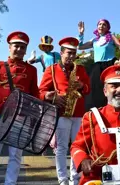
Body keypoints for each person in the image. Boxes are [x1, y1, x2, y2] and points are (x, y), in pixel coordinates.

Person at [0, 31, 39, 185]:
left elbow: (35, 95)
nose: (19, 49)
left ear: (26, 50)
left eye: (22, 47)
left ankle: (10, 183)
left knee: (15, 155)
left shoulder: (32, 70)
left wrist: (34, 116)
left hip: (20, 117)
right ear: (9, 47)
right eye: (16, 46)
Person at [39, 37, 90, 185]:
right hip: (62, 113)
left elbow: (88, 89)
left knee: (77, 146)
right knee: (61, 148)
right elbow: (41, 91)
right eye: (68, 53)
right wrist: (51, 98)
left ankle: (75, 178)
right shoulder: (52, 69)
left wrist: (81, 85)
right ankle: (62, 180)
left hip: (78, 113)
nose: (71, 56)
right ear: (61, 53)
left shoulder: (80, 69)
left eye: (74, 53)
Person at [77, 19, 120, 111]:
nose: (101, 26)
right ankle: (95, 110)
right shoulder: (94, 40)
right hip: (97, 67)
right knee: (94, 88)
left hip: (109, 64)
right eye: (99, 24)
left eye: (104, 24)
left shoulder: (111, 37)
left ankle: (112, 108)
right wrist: (81, 34)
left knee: (111, 87)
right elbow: (80, 47)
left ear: (107, 28)